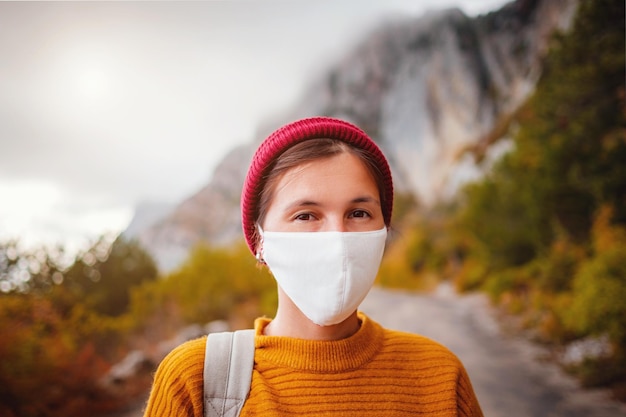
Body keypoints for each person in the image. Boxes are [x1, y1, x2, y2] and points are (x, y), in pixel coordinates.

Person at [143, 117, 484, 416]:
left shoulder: (438, 375)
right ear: (260, 239)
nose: (337, 237)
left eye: (359, 213)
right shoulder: (194, 379)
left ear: (383, 230)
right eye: (306, 215)